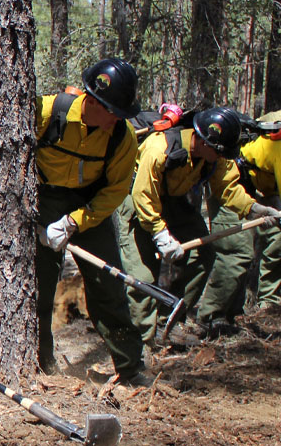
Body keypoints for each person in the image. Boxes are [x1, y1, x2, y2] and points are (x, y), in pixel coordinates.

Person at [0, 57, 147, 385]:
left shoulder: (122, 138)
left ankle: (130, 369)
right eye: (113, 111)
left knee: (108, 290)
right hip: (42, 202)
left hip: (90, 208)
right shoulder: (47, 111)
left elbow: (116, 190)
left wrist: (74, 223)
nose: (117, 119)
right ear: (93, 101)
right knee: (38, 291)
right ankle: (44, 367)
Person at [119, 107, 281, 347]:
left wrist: (253, 208)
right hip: (139, 204)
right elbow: (143, 195)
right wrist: (160, 234)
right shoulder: (159, 148)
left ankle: (168, 321)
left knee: (202, 253)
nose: (222, 157)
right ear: (204, 142)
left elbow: (227, 188)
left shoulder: (216, 157)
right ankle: (140, 344)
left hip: (173, 201)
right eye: (219, 152)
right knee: (142, 276)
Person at [196, 110, 281, 331]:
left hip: (255, 187)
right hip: (229, 184)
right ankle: (209, 318)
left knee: (263, 244)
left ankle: (232, 314)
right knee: (236, 251)